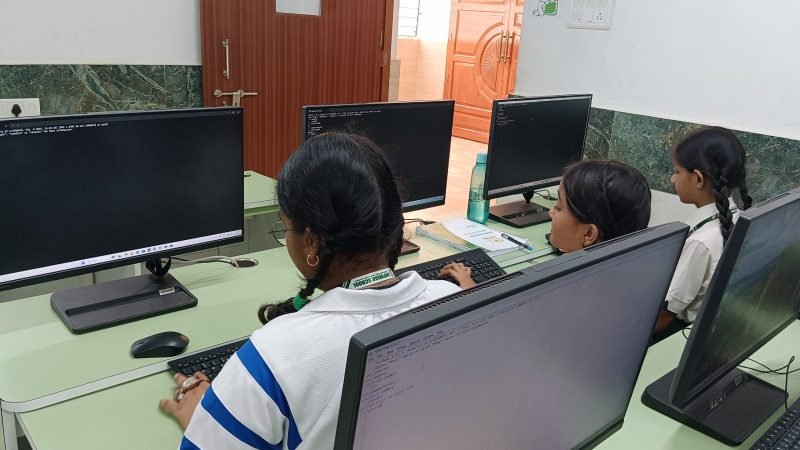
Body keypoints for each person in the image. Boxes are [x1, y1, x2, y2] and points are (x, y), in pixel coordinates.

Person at [159, 132, 463, 449]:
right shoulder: (454, 302)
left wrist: (205, 422)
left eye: (286, 226)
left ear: (312, 243)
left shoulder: (273, 357)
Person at [441, 160, 652, 288]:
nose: (551, 212)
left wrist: (469, 287)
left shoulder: (565, 289)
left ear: (588, 234)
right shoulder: (623, 276)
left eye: (559, 208)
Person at [652, 126, 753, 342]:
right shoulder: (738, 218)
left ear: (698, 178)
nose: (672, 179)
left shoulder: (702, 242)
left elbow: (662, 318)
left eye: (677, 171)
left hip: (677, 333)